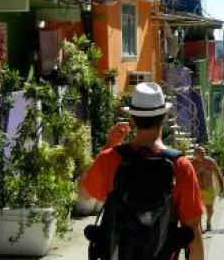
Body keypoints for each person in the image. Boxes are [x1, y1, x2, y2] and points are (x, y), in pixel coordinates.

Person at [81, 82, 205, 260]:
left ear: (132, 117)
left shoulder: (110, 159)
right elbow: (193, 229)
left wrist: (108, 146)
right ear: (164, 115)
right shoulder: (181, 166)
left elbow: (85, 194)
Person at [190, 146, 224, 232]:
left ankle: (208, 221)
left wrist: (222, 189)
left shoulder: (210, 162)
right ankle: (200, 227)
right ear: (195, 154)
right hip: (198, 189)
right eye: (200, 153)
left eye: (203, 152)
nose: (203, 154)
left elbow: (218, 175)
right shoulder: (192, 163)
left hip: (209, 187)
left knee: (209, 208)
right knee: (198, 209)